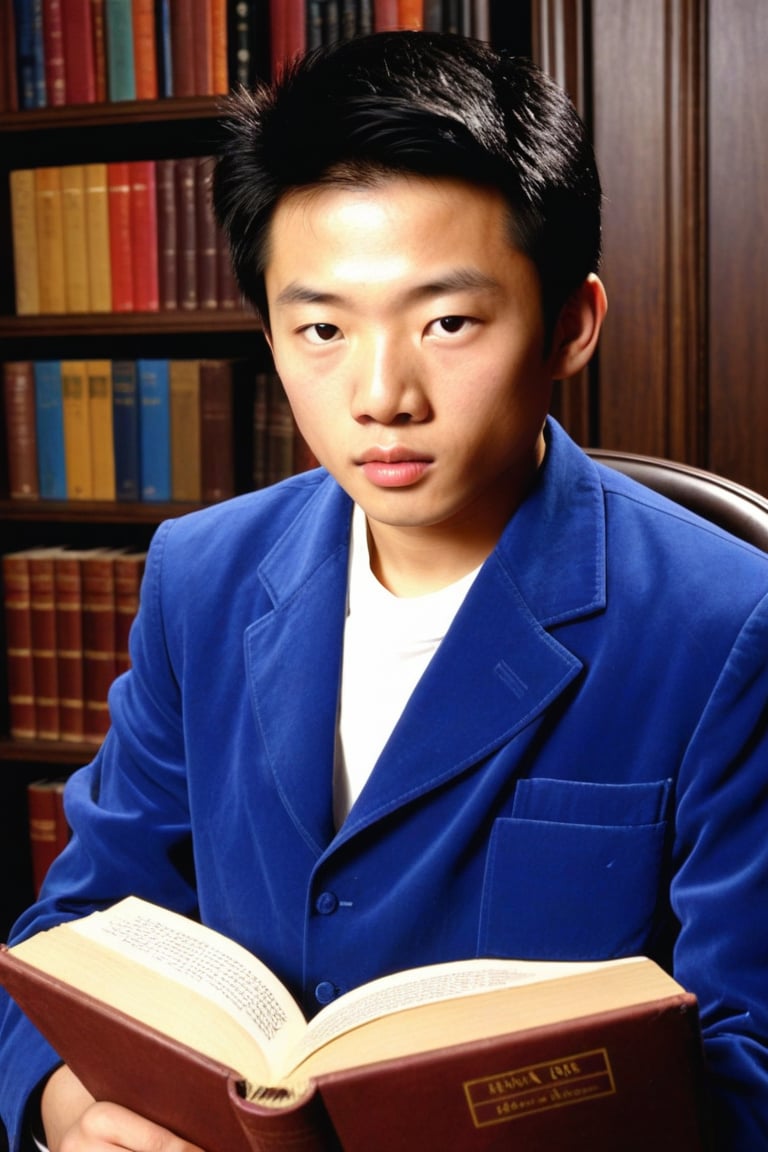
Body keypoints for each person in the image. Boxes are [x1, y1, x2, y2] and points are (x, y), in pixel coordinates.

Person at [1, 28, 767, 1152]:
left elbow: (751, 1063)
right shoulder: (203, 576)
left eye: (447, 322)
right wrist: (74, 1108)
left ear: (570, 326)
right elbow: (80, 926)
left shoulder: (727, 624)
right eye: (320, 328)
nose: (380, 395)